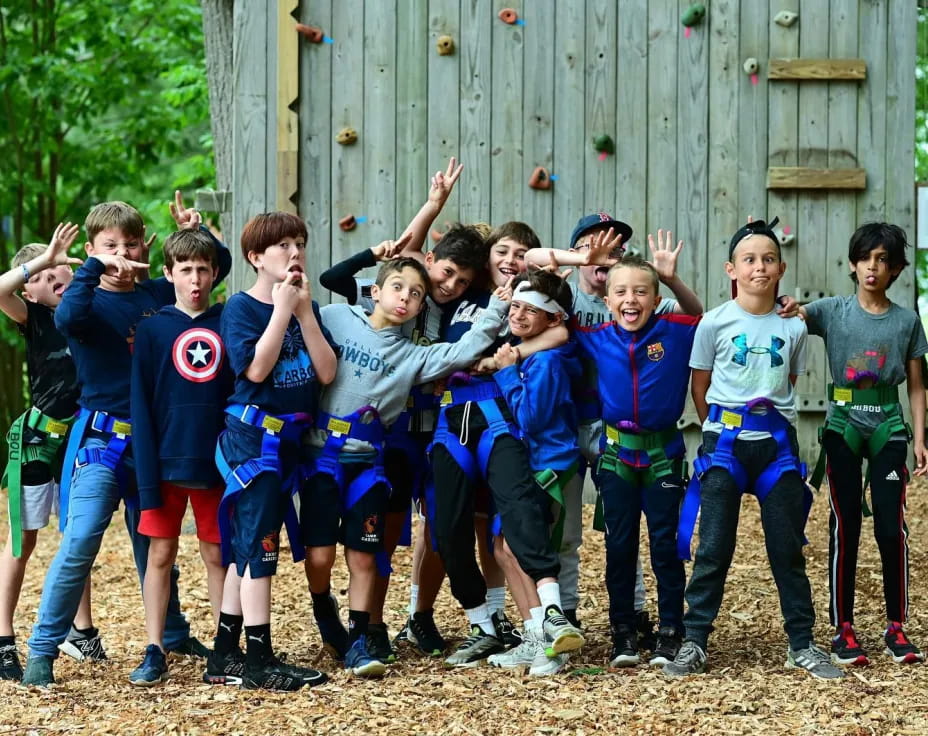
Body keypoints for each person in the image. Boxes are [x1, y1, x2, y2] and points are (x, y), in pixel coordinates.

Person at [21, 197, 228, 687]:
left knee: (155, 547)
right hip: (103, 441)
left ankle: (171, 636)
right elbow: (68, 319)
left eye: (130, 243)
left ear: (144, 246)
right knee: (81, 540)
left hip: (153, 444)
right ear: (92, 250)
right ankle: (43, 648)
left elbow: (207, 274)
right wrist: (93, 267)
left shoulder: (157, 293)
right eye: (110, 245)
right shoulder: (86, 301)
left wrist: (199, 233)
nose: (122, 252)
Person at [303, 256, 515, 677]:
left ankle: (359, 642)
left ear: (421, 309)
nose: (406, 297)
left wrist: (497, 309)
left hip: (368, 464)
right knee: (320, 556)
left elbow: (464, 349)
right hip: (321, 459)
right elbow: (298, 319)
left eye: (416, 294)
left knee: (364, 556)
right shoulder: (336, 317)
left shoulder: (413, 357)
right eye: (398, 287)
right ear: (375, 291)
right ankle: (323, 602)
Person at [662, 218, 842, 680]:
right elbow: (699, 385)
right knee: (714, 546)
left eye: (767, 260)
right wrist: (719, 432)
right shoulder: (715, 322)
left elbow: (791, 381)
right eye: (749, 260)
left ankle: (801, 643)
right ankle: (695, 640)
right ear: (732, 269)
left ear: (780, 268)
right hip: (724, 445)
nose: (759, 267)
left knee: (787, 548)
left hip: (776, 449)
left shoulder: (793, 328)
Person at [317, 159, 481, 661]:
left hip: (430, 429)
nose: (447, 285)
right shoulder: (400, 297)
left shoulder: (450, 310)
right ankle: (373, 626)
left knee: (429, 528)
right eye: (445, 273)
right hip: (386, 434)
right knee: (380, 532)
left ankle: (417, 615)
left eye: (460, 280)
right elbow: (405, 255)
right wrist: (433, 206)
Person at [525, 214, 703, 637]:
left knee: (644, 535)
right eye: (592, 247)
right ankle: (566, 614)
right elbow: (534, 266)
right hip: (571, 427)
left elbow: (698, 317)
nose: (603, 255)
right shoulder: (569, 302)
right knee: (569, 533)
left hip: (625, 436)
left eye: (615, 248)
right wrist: (577, 258)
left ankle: (642, 617)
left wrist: (667, 280)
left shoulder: (654, 318)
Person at [427, 222, 583, 668]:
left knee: (516, 521)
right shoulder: (466, 293)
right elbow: (423, 263)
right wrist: (433, 211)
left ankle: (550, 616)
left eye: (520, 256)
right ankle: (485, 623)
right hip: (450, 417)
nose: (509, 262)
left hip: (499, 418)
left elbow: (560, 333)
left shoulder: (533, 321)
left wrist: (583, 260)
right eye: (502, 252)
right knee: (448, 528)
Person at [791, 223, 927, 666]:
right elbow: (791, 315)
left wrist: (921, 438)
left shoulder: (907, 321)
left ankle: (896, 626)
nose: (873, 266)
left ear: (896, 269)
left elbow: (917, 387)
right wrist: (788, 304)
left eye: (883, 260)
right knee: (845, 524)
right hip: (843, 425)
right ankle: (843, 627)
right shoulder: (832, 311)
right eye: (866, 258)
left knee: (892, 526)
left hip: (889, 426)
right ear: (853, 264)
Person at [210, 211, 335, 691]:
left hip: (288, 445)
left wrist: (304, 313)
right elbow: (256, 371)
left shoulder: (310, 307)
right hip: (252, 441)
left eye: (299, 242)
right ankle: (259, 660)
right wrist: (283, 311)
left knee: (250, 549)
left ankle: (225, 655)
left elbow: (325, 373)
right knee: (260, 548)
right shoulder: (241, 308)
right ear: (255, 257)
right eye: (283, 245)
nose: (295, 252)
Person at [572, 255, 699, 668]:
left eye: (641, 291)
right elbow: (550, 320)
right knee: (619, 546)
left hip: (664, 456)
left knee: (666, 547)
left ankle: (669, 631)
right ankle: (622, 633)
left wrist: (673, 279)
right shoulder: (596, 336)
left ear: (656, 299)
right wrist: (567, 263)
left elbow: (700, 314)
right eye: (621, 292)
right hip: (615, 458)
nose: (631, 300)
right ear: (607, 301)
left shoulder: (674, 332)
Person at [128, 229, 234, 685]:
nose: (195, 279)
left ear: (215, 273)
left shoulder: (228, 322)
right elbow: (141, 405)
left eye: (203, 270)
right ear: (167, 273)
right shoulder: (152, 329)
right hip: (165, 464)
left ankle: (222, 648)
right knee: (160, 554)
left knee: (216, 555)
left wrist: (205, 231)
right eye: (185, 270)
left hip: (215, 464)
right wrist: (146, 475)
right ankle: (155, 647)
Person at [0, 224, 96, 680]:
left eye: (63, 268)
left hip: (80, 440)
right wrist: (39, 260)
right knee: (25, 540)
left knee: (76, 535)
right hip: (39, 441)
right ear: (30, 293)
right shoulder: (33, 319)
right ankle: (3, 637)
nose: (56, 274)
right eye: (44, 275)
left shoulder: (86, 316)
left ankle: (82, 631)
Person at [485, 270, 581, 676]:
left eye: (532, 310)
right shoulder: (533, 352)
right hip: (532, 464)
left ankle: (552, 644)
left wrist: (506, 372)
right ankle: (535, 636)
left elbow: (532, 418)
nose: (519, 315)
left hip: (549, 467)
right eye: (517, 306)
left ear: (554, 319)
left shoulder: (545, 361)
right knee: (504, 548)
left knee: (527, 549)